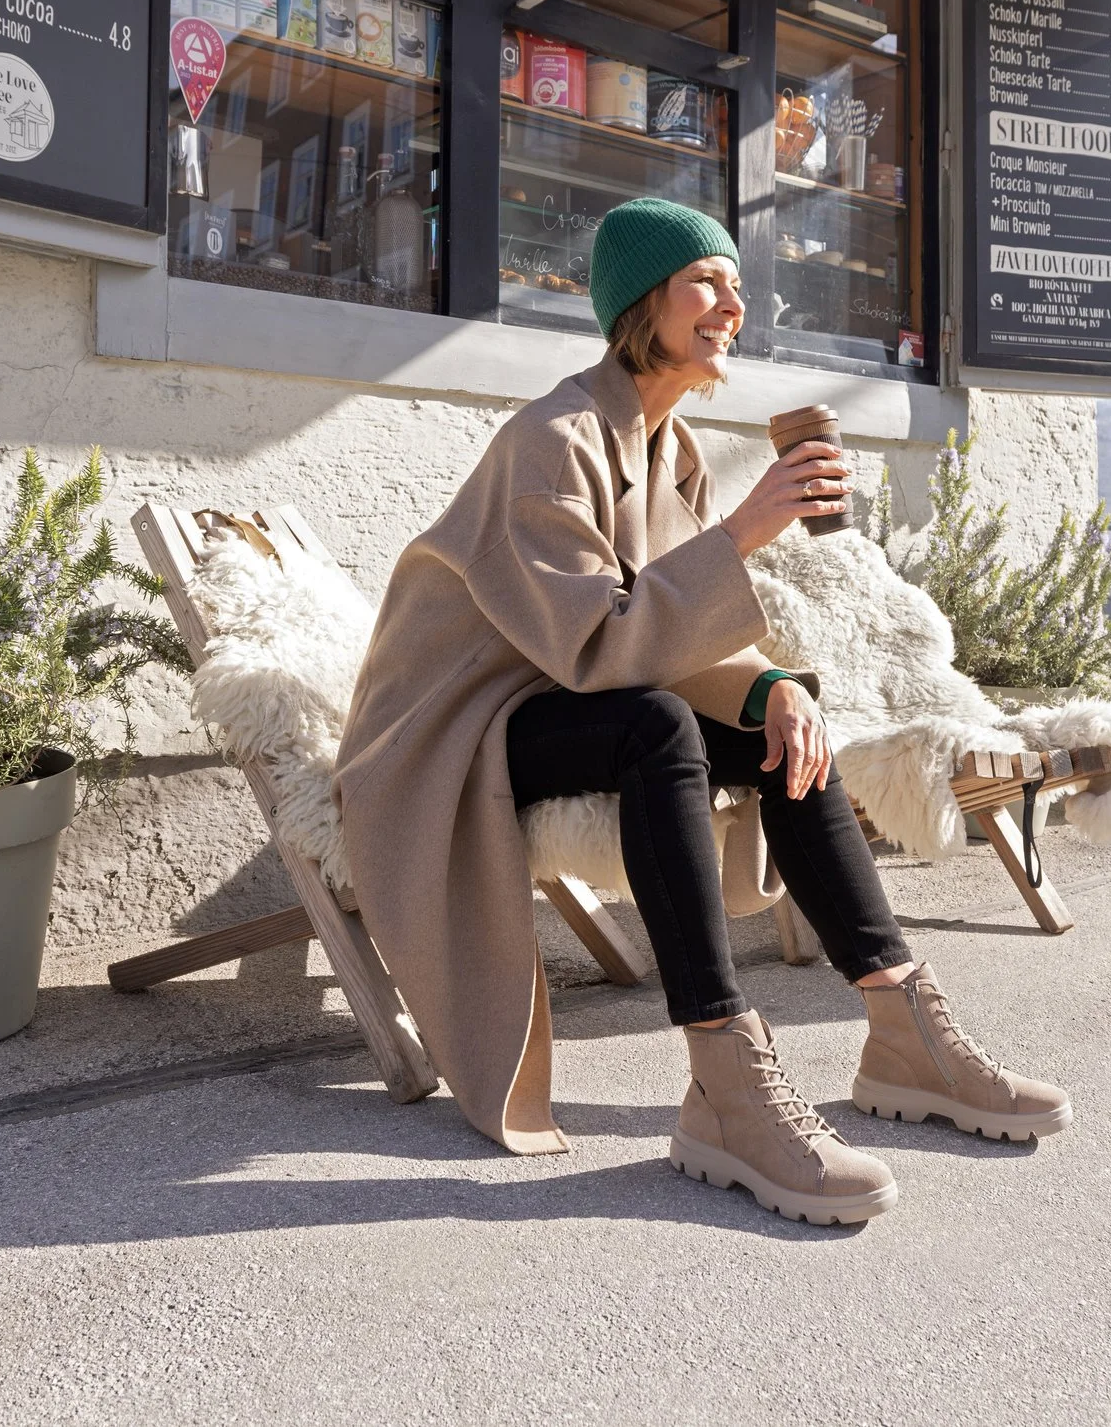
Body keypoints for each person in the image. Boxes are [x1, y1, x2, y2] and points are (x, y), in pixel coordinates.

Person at [334, 198, 1068, 1224]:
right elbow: (597, 641)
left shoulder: (668, 444)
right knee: (660, 728)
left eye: (736, 282)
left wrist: (774, 689)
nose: (735, 303)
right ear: (645, 301)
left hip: (567, 694)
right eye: (707, 283)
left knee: (782, 725)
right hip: (454, 733)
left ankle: (905, 1027)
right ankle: (724, 1080)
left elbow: (671, 630)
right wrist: (751, 525)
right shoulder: (553, 439)